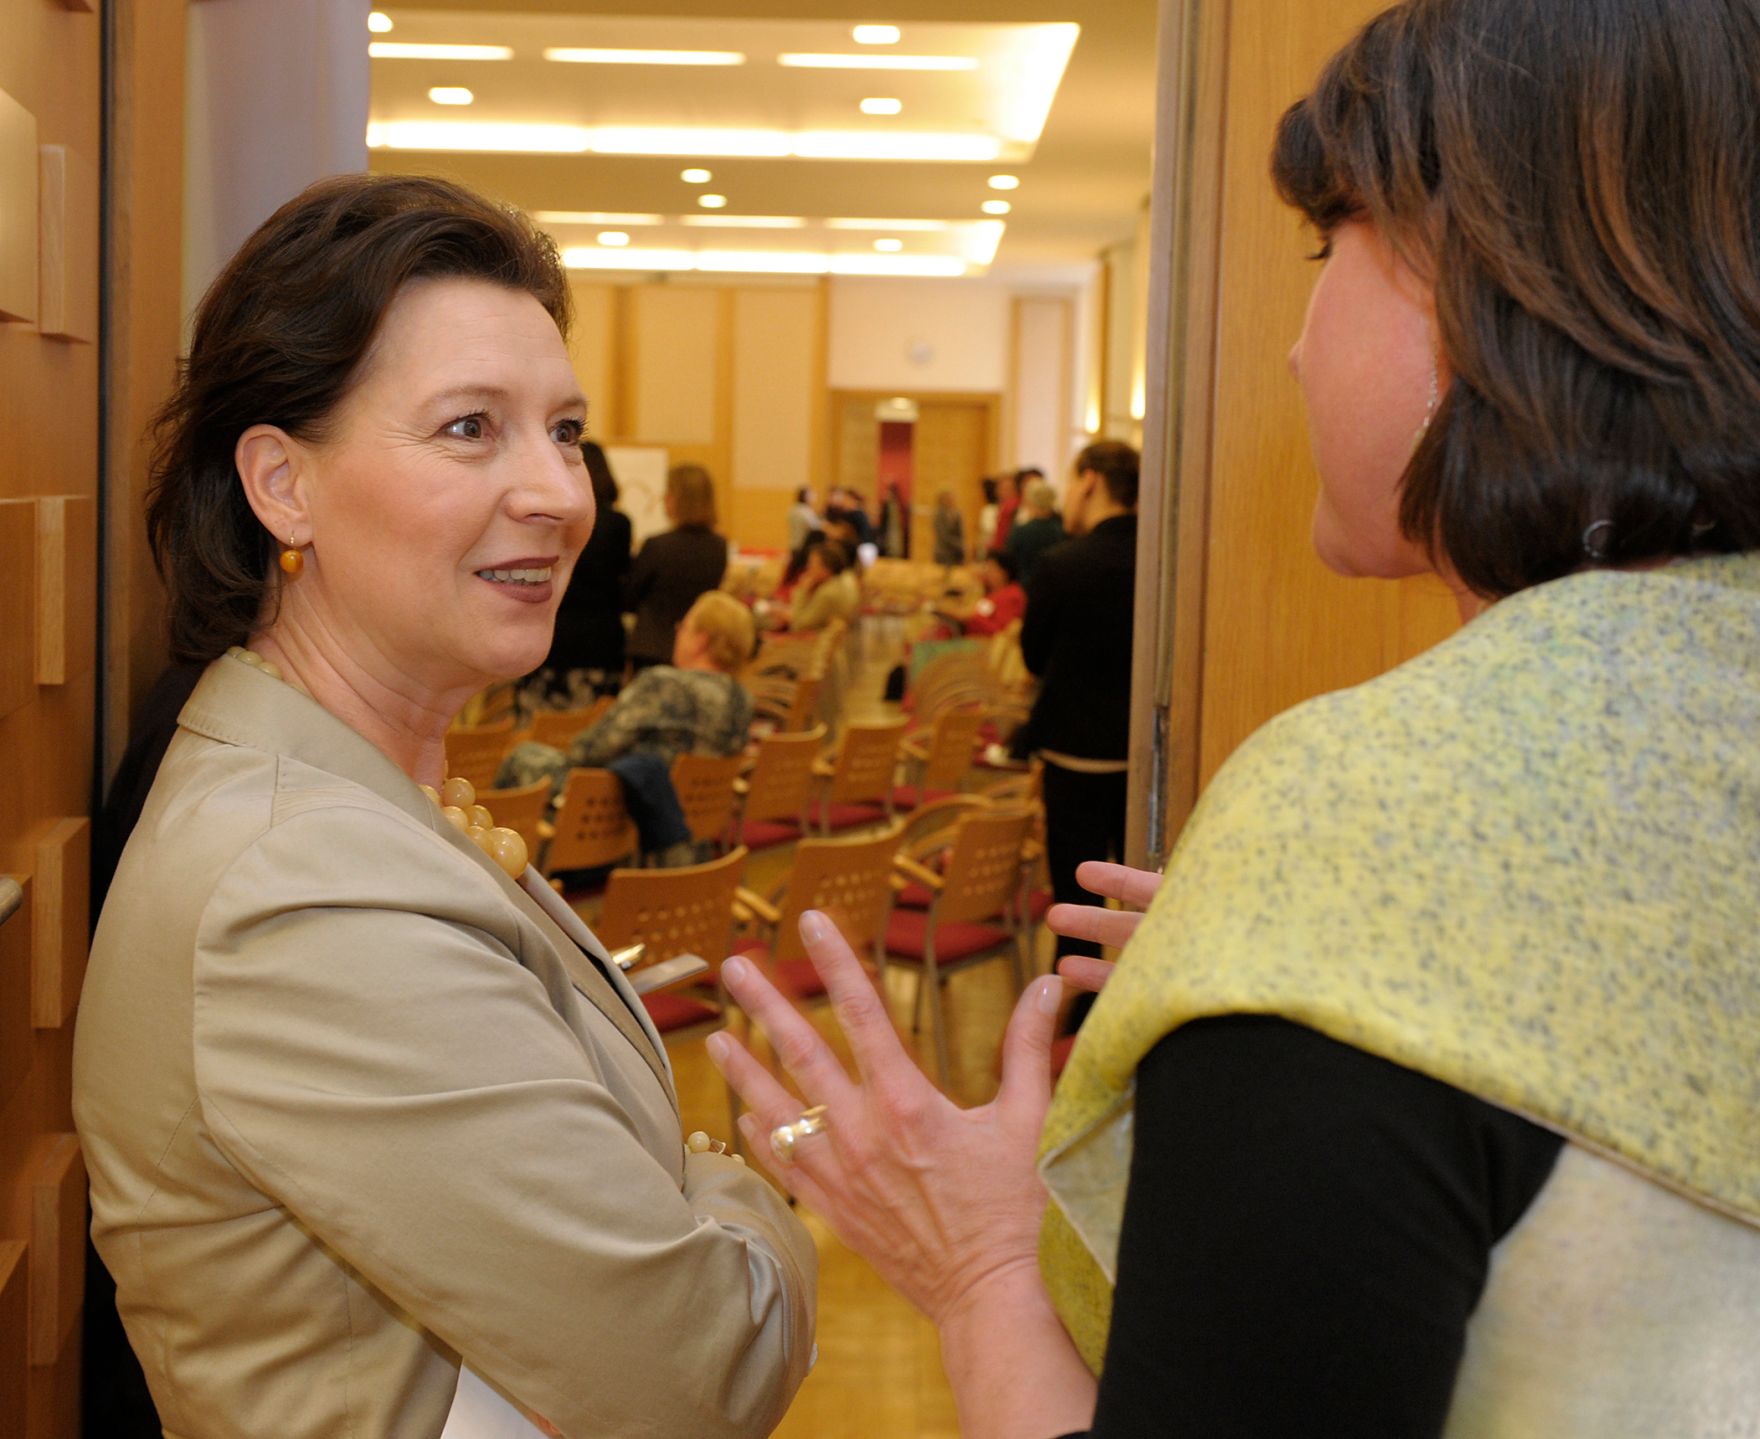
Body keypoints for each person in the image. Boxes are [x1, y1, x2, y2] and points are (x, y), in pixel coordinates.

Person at [704, 0, 1760, 1434]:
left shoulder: (1370, 819)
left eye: (1330, 251)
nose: (1297, 346)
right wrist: (1298, 986)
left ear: (1492, 290)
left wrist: (981, 1268)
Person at [72, 173, 815, 1439]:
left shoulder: (363, 794)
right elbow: (706, 1368)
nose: (559, 492)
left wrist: (666, 1198)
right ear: (281, 484)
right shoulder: (300, 889)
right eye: (471, 427)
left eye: (564, 430)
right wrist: (748, 1198)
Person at [1021, 441, 1139, 970]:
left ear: (1089, 480)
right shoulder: (1163, 562)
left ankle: (1078, 1008)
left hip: (1074, 759)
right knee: (1143, 906)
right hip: (1144, 761)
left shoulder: (1061, 564)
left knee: (1078, 912)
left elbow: (1033, 657)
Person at [498, 589, 755, 793]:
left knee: (523, 756)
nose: (677, 632)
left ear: (701, 641)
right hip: (687, 814)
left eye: (684, 626)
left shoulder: (666, 684)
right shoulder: (742, 698)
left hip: (614, 809)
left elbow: (589, 751)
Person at [536, 440, 630, 703]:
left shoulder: (552, 520)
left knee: (544, 723)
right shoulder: (619, 524)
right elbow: (624, 579)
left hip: (557, 636)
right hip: (604, 637)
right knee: (597, 721)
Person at [625, 462, 728, 671]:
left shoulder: (658, 545)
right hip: (697, 649)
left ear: (678, 499)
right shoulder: (719, 546)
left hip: (652, 647)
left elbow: (629, 597)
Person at [938, 548, 1025, 638]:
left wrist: (966, 617)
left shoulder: (1012, 595)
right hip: (969, 635)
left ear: (1004, 573)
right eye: (987, 569)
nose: (987, 573)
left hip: (984, 642)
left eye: (992, 569)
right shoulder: (989, 590)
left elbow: (999, 631)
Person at [787, 538, 861, 632]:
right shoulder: (842, 580)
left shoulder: (827, 593)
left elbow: (798, 625)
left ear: (826, 569)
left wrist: (802, 591)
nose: (808, 568)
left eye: (811, 564)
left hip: (814, 639)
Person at [1004, 477, 1065, 586]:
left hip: (1026, 585)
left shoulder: (1021, 530)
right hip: (1055, 585)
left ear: (1028, 501)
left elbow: (1009, 558)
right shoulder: (1061, 529)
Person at [932, 488, 965, 566]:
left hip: (956, 553)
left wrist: (961, 546)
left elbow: (960, 533)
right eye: (948, 498)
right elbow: (943, 536)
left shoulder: (957, 514)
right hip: (943, 552)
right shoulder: (939, 515)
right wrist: (959, 545)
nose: (951, 500)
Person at [786, 485, 822, 554]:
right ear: (806, 496)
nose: (815, 497)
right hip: (803, 545)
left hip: (794, 543)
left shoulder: (793, 508)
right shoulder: (806, 511)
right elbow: (816, 526)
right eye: (813, 495)